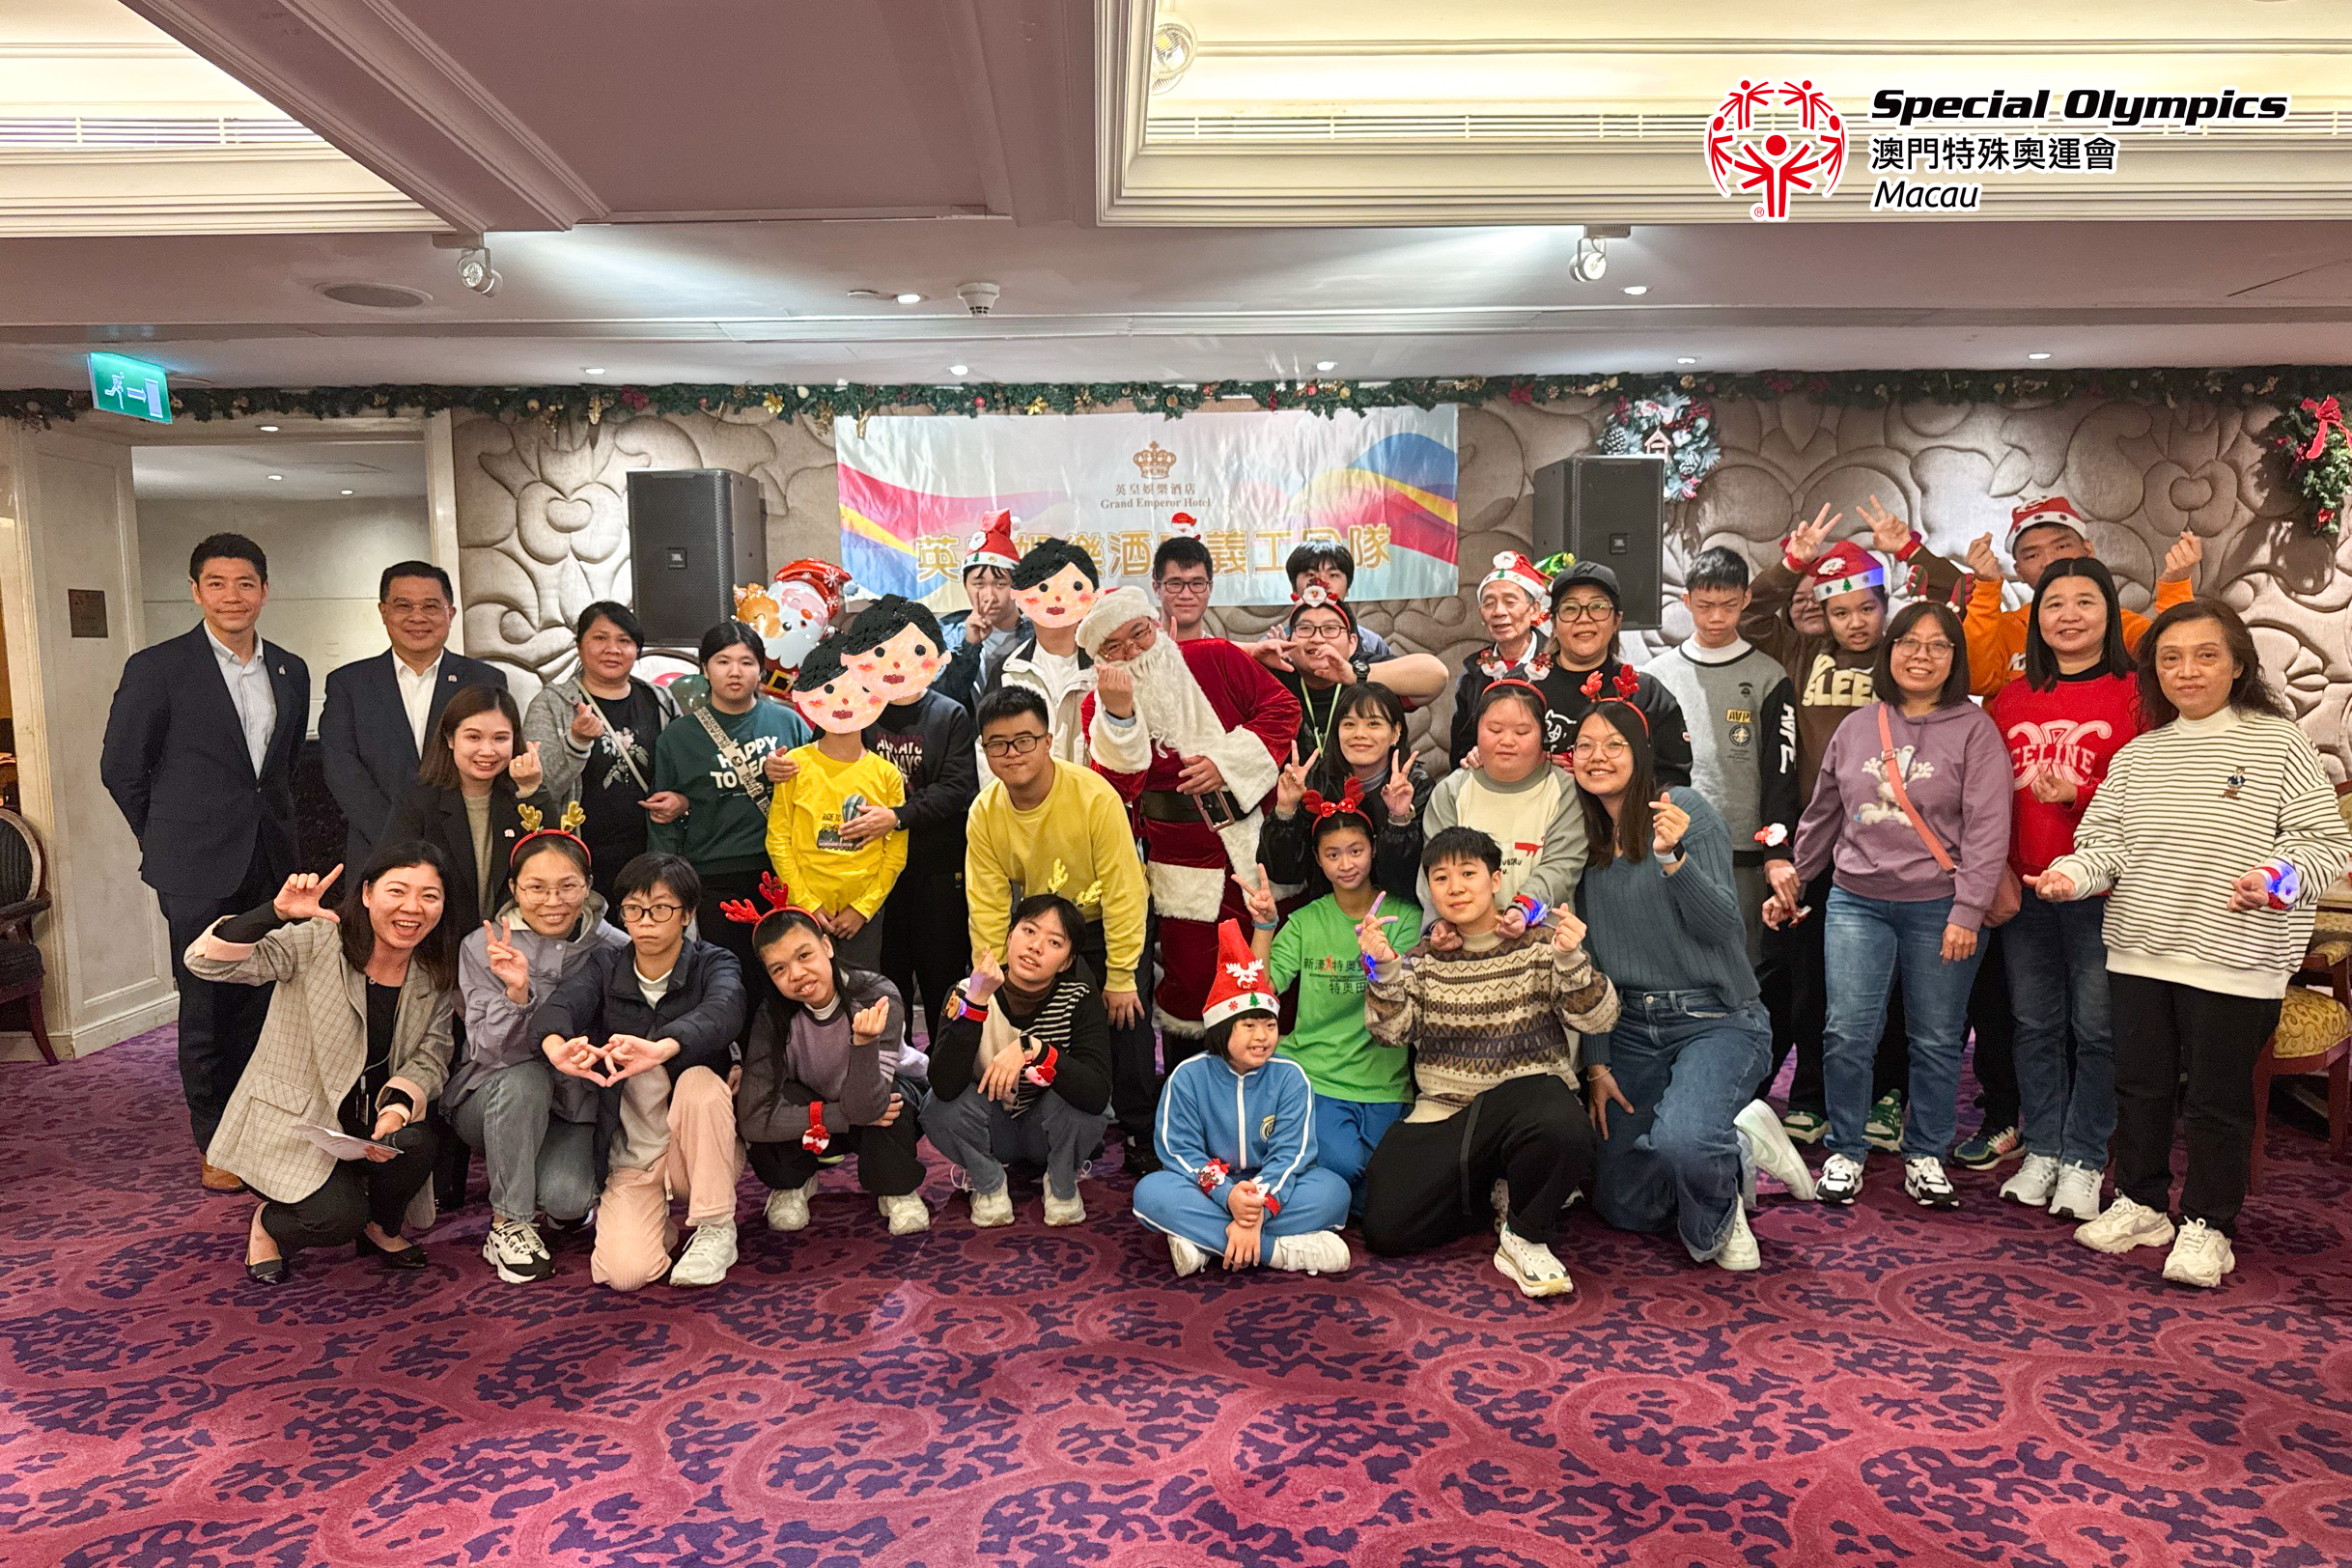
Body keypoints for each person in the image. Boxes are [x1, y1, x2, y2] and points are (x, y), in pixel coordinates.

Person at [2035, 599, 2352, 1288]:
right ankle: (2142, 1202)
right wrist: (2070, 876)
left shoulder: (2279, 744)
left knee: (2216, 1099)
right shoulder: (2140, 754)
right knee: (2140, 1087)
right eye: (2171, 659)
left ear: (2237, 664)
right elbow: (2104, 846)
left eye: (2206, 655)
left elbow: (2325, 843)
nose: (2188, 671)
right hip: (2139, 951)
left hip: (2237, 959)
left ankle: (2210, 1224)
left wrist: (2275, 879)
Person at [1774, 601, 2011, 1210]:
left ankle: (1927, 1152)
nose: (1921, 656)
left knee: (1936, 1038)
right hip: (1857, 901)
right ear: (1890, 651)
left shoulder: (1974, 730)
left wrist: (1968, 911)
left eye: (1938, 645)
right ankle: (1846, 1150)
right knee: (1846, 1032)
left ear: (1955, 659)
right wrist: (1797, 878)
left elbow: (1988, 828)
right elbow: (1824, 813)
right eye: (1909, 642)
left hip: (1940, 907)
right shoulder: (1858, 725)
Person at [1567, 704, 1815, 1274]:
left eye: (1614, 744)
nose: (1598, 756)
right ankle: (1742, 1140)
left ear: (1642, 753)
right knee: (1624, 1202)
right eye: (1585, 745)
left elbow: (1723, 926)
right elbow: (1593, 966)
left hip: (1716, 1018)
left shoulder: (1683, 811)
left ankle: (1722, 1206)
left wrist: (1673, 859)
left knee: (1684, 1143)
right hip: (1631, 1025)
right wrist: (1598, 1064)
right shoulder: (1585, 840)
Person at [102, 531, 310, 1188]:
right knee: (206, 1003)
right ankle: (216, 1140)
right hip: (193, 867)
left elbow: (281, 772)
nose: (232, 596)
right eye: (217, 583)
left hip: (268, 861)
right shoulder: (158, 667)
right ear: (195, 591)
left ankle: (259, 1125)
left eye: (245, 583)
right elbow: (121, 769)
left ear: (265, 591)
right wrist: (164, 837)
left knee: (265, 999)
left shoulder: (289, 669)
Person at [1742, 501, 1946, 1147]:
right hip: (1816, 845)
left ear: (1885, 607)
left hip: (1892, 844)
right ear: (1822, 614)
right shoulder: (1802, 655)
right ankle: (1812, 1094)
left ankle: (1887, 1095)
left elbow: (1952, 600)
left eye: (1866, 608)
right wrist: (1792, 563)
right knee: (1812, 980)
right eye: (1840, 611)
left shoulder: (1905, 658)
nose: (1855, 622)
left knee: (1891, 983)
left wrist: (1909, 550)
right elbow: (1752, 616)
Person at [1360, 827, 1622, 1300]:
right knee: (1386, 1228)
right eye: (1441, 878)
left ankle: (1525, 1233)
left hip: (1527, 1107)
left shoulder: (1541, 946)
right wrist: (1386, 971)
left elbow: (1600, 1019)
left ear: (1495, 879)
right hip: (1448, 1114)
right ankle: (1497, 1187)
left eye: (1468, 873)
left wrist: (1571, 960)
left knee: (1557, 1112)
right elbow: (1390, 1034)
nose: (1455, 888)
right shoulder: (1423, 960)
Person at [190, 844, 456, 1284]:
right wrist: (274, 914)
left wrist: (397, 1107)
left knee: (418, 1142)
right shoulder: (318, 941)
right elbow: (205, 964)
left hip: (368, 1125)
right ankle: (268, 1224)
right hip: (297, 1124)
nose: (413, 907)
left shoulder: (432, 972)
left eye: (430, 896)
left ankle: (380, 1228)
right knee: (336, 1219)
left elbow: (433, 1053)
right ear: (367, 893)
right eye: (397, 891)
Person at [1986, 558, 2141, 1223]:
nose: (2069, 616)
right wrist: (1994, 868)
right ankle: (2043, 1149)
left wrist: (2080, 792)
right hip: (2025, 891)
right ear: (2036, 618)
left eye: (2085, 601)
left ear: (2109, 614)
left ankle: (2084, 1158)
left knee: (2098, 1030)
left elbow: (2152, 795)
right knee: (2034, 1025)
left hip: (2104, 893)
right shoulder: (2011, 698)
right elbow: (1986, 796)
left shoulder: (2138, 692)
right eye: (2054, 603)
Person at [1078, 586, 1300, 1044]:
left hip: (1257, 840)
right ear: (1099, 659)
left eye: (1138, 633)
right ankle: (1193, 1076)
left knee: (1274, 970)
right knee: (1193, 982)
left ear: (1158, 625)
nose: (1132, 651)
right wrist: (1119, 718)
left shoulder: (1216, 657)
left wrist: (1226, 763)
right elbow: (1117, 793)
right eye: (1113, 647)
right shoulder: (1095, 708)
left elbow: (1282, 709)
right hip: (1180, 859)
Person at [531, 854, 747, 1291]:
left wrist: (664, 1046)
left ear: (687, 914)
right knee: (624, 1274)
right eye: (634, 909)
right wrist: (557, 1048)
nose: (645, 922)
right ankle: (658, 1228)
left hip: (697, 1146)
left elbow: (724, 1010)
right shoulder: (606, 965)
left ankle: (715, 1226)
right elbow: (560, 1006)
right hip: (634, 1155)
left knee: (700, 1083)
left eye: (661, 909)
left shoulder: (713, 962)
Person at [965, 686, 1154, 1164]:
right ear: (984, 750)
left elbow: (1125, 891)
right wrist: (994, 972)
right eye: (998, 744)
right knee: (1045, 1024)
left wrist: (1122, 975)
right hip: (1043, 932)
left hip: (1106, 924)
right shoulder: (984, 812)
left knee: (1125, 1021)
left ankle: (1141, 1130)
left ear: (1048, 741)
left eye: (1024, 740)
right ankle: (1059, 1124)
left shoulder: (1094, 796)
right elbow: (986, 902)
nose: (1012, 753)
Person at [450, 826, 628, 1284]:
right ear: (514, 888)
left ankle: (548, 1190)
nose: (553, 901)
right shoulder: (483, 945)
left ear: (588, 886)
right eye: (536, 888)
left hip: (575, 1103)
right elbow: (487, 1049)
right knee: (527, 1078)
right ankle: (508, 1222)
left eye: (568, 886)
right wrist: (517, 992)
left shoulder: (616, 946)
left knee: (567, 1200)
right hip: (495, 1095)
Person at [1133, 920, 1352, 1276]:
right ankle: (1277, 1251)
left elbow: (1291, 1155)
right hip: (1210, 1189)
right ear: (1222, 1028)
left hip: (1273, 1189)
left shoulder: (1290, 1076)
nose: (1262, 1037)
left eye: (1270, 1025)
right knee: (1150, 1193)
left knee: (1333, 1191)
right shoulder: (1188, 1077)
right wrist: (1228, 1195)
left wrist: (1256, 1207)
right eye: (1249, 1026)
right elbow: (1180, 1152)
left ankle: (1205, 1243)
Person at [1241, 802, 1424, 1215]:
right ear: (1319, 860)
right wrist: (1265, 926)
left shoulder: (1406, 916)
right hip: (1316, 1075)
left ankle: (1313, 1196)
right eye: (1333, 854)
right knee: (1344, 1167)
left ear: (1373, 849)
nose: (1346, 864)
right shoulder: (1306, 921)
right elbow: (1259, 992)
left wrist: (1378, 957)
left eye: (1355, 851)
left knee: (1382, 1183)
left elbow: (1410, 996)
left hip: (1384, 1080)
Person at [734, 893, 931, 1237]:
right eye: (779, 969)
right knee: (773, 1107)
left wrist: (864, 1044)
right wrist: (828, 1116)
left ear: (826, 946)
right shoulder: (772, 1016)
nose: (797, 974)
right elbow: (752, 1119)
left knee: (892, 1102)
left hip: (875, 1101)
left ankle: (896, 1188)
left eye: (804, 955)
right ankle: (794, 1183)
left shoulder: (875, 995)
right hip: (823, 1111)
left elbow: (869, 1106)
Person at [645, 619, 813, 1022]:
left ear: (761, 669)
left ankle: (794, 1053)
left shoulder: (789, 723)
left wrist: (782, 779)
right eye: (723, 662)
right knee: (731, 981)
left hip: (783, 872)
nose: (735, 672)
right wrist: (665, 885)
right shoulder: (678, 737)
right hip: (713, 875)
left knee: (792, 977)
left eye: (747, 662)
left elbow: (815, 796)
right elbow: (662, 814)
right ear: (705, 669)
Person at [1643, 546, 1801, 967]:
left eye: (1729, 605)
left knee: (1742, 960)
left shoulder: (1769, 676)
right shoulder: (1657, 676)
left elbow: (1781, 769)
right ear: (1686, 600)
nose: (1716, 617)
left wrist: (1776, 849)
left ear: (1746, 599)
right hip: (1674, 841)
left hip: (1744, 849)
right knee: (1676, 956)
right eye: (1705, 605)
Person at [924, 894, 1113, 1225]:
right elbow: (944, 1086)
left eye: (1054, 942)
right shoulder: (967, 991)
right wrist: (976, 1004)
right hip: (992, 1126)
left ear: (1066, 962)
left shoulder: (1079, 998)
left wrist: (1037, 1050)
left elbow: (1097, 1094)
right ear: (1010, 935)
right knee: (936, 1107)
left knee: (1088, 1104)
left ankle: (1061, 1181)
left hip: (1047, 1129)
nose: (1036, 946)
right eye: (1029, 931)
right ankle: (989, 1182)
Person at [843, 596, 979, 1045]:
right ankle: (890, 1067)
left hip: (937, 871)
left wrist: (896, 816)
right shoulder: (854, 713)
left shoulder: (950, 713)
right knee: (884, 984)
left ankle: (945, 1069)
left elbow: (957, 788)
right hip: (871, 876)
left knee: (944, 981)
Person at [320, 561, 510, 869]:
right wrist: (397, 840)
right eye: (403, 605)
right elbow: (341, 769)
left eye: (430, 606)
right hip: (377, 850)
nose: (417, 617)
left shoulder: (484, 681)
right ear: (384, 612)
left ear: (450, 613)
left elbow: (495, 761)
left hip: (466, 851)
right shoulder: (349, 684)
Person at [521, 602, 683, 910]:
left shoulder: (659, 700)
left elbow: (683, 772)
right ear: (579, 645)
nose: (613, 649)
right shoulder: (551, 704)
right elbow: (539, 788)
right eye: (600, 638)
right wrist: (577, 741)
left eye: (624, 640)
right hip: (580, 856)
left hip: (651, 854)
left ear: (637, 650)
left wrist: (681, 800)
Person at [1957, 495, 2201, 696]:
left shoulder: (2120, 623)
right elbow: (1976, 681)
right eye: (2032, 555)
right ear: (2018, 571)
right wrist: (1986, 589)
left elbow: (2173, 663)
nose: (2050, 561)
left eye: (2062, 546)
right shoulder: (2005, 629)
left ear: (2088, 550)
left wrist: (2175, 587)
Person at [769, 641, 908, 970]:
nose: (843, 701)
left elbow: (895, 852)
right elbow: (778, 840)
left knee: (861, 990)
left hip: (862, 916)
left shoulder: (887, 774)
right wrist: (806, 903)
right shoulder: (794, 765)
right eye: (829, 691)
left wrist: (863, 908)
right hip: (803, 911)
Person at [382, 686, 551, 937]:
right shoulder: (419, 797)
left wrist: (532, 791)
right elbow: (390, 872)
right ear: (450, 739)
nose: (487, 751)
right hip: (436, 940)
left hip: (512, 942)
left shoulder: (522, 795)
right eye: (473, 737)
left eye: (500, 738)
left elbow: (556, 862)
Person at [1420, 682, 1585, 930]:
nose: (1507, 741)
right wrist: (1439, 924)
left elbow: (1562, 866)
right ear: (1477, 731)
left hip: (1544, 936)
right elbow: (1434, 867)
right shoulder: (1451, 791)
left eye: (1522, 732)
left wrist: (1523, 909)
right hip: (1466, 938)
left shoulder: (1565, 790)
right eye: (1495, 730)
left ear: (1543, 735)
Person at [1259, 682, 1431, 904]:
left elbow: (1405, 881)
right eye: (1349, 724)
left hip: (1398, 907)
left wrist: (1399, 820)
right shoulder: (1315, 780)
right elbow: (1285, 873)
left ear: (1395, 732)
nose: (1359, 734)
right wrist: (1285, 809)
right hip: (1330, 905)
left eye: (1373, 724)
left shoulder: (1416, 786)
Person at [1529, 562, 1694, 787]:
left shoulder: (1644, 693)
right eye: (1570, 608)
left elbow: (1672, 780)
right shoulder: (1525, 684)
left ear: (1617, 620)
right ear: (1554, 623)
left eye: (1598, 607)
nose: (1584, 618)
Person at [1262, 587, 1448, 760]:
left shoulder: (1365, 668)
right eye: (1305, 628)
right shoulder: (1275, 677)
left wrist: (1354, 675)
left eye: (1330, 629)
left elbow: (1437, 675)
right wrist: (1257, 656)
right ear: (1289, 641)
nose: (1317, 638)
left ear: (1352, 643)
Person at [987, 539, 1099, 764]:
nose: (1057, 598)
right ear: (1021, 598)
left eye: (1071, 588)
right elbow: (990, 750)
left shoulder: (1106, 666)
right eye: (1044, 589)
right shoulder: (1006, 672)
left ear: (1092, 595)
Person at [1448, 551, 1553, 767]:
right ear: (1481, 614)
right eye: (1489, 604)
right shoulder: (1473, 671)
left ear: (1534, 610)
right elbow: (1460, 748)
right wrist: (1470, 756)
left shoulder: (1559, 663)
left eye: (1510, 601)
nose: (1498, 612)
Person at [937, 511, 1025, 712]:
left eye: (1000, 584)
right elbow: (939, 703)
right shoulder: (945, 633)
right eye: (978, 584)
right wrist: (969, 645)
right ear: (965, 585)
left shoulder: (1038, 632)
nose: (989, 596)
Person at [1153, 519, 1218, 643]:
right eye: (1175, 584)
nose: (1186, 595)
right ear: (1156, 588)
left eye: (1197, 584)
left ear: (1210, 588)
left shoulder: (1224, 652)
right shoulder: (1137, 653)